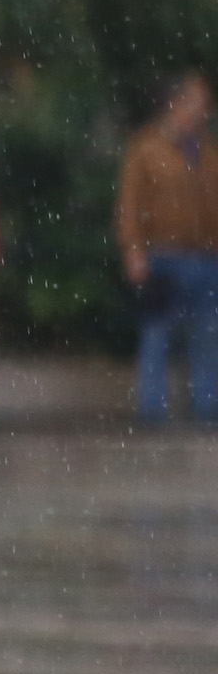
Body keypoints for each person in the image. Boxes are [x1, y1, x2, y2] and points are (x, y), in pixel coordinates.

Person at [119, 70, 218, 426]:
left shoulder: (207, 150)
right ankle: (152, 409)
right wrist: (134, 249)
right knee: (157, 334)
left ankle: (207, 409)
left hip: (207, 257)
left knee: (208, 335)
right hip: (163, 255)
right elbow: (129, 204)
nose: (202, 109)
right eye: (195, 100)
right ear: (174, 103)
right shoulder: (146, 147)